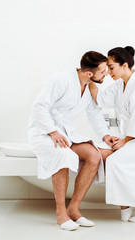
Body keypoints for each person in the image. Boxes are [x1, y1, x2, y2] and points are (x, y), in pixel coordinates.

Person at [28, 51, 114, 231]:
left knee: (93, 155)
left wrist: (106, 136)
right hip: (43, 132)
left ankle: (74, 209)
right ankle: (61, 213)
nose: (106, 74)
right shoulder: (61, 80)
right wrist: (52, 132)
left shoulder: (89, 87)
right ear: (90, 73)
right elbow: (39, 106)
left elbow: (94, 114)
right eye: (103, 71)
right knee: (63, 155)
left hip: (65, 133)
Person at [89, 46, 135, 223]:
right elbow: (99, 99)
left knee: (115, 161)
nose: (108, 71)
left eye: (111, 67)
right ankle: (126, 206)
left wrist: (125, 141)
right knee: (111, 159)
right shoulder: (119, 85)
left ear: (124, 65)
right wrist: (89, 75)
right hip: (133, 138)